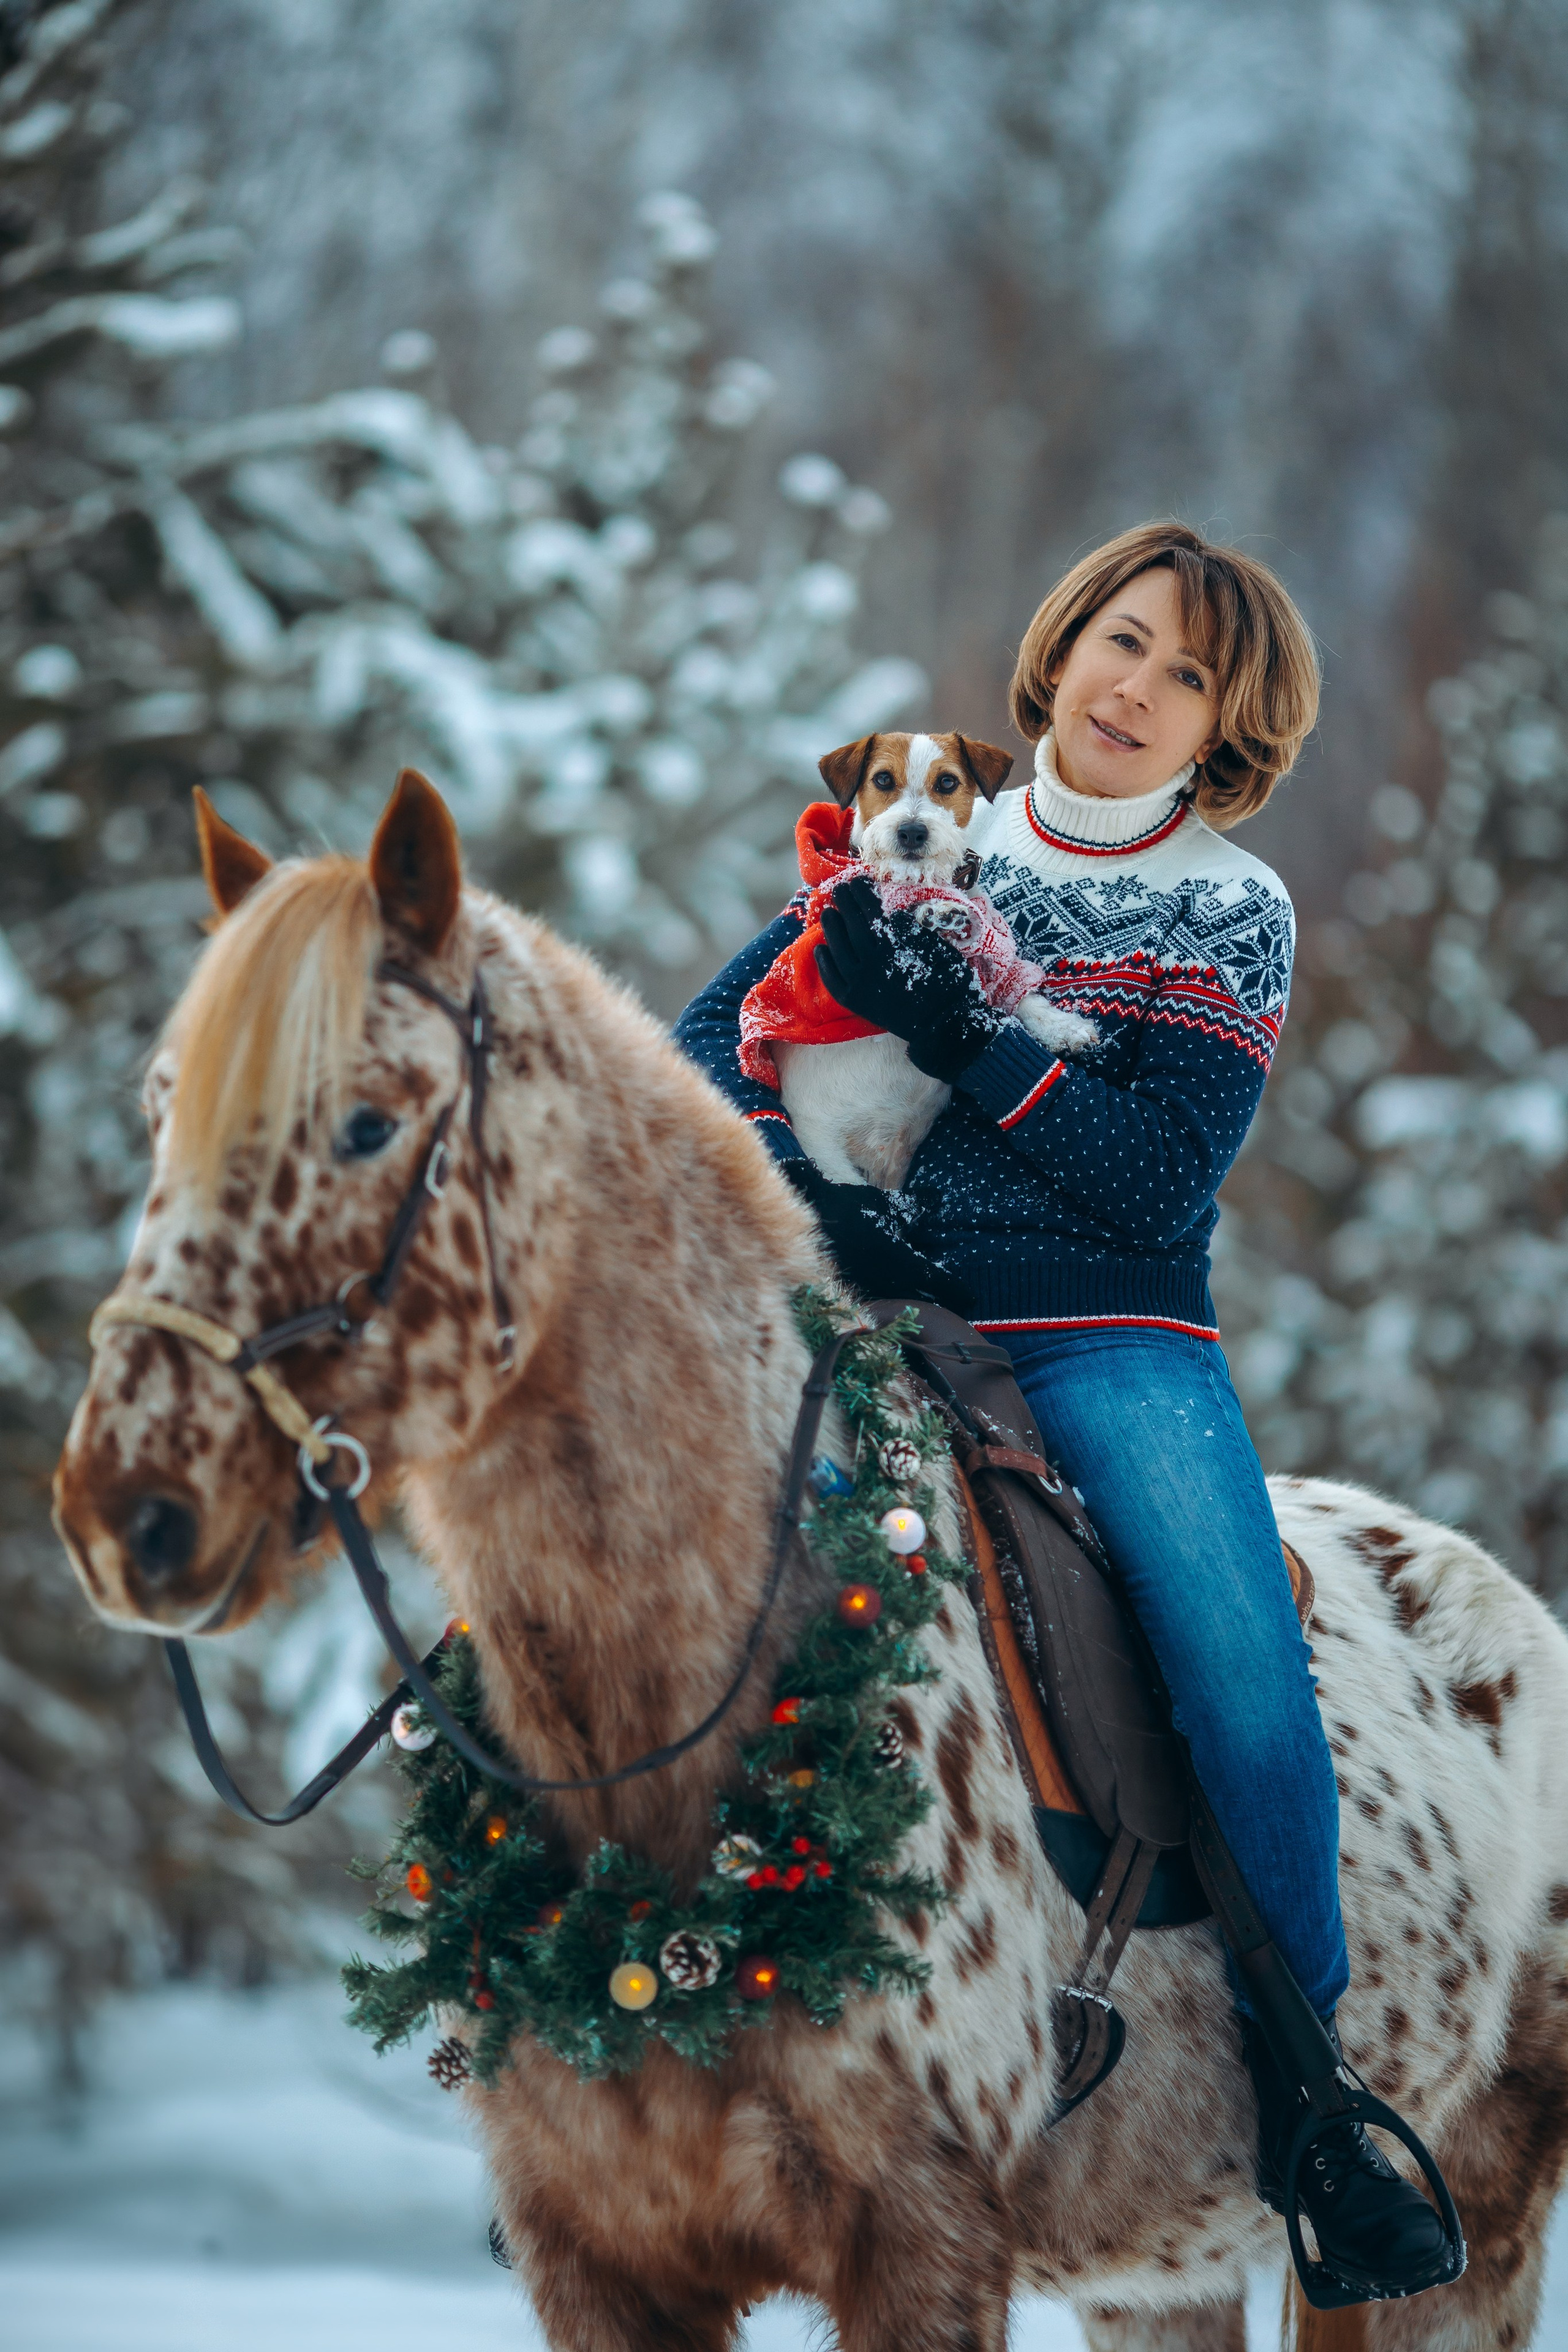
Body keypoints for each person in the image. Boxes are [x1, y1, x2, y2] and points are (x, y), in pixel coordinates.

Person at [674, 519, 1450, 2293]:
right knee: (674, 1579)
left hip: (1106, 1338)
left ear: (1224, 732)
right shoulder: (907, 839)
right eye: (1123, 639)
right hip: (878, 1321)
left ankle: (1317, 2111)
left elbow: (1156, 1180)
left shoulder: (1227, 909)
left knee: (1243, 1676)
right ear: (1061, 645)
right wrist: (832, 1198)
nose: (1139, 687)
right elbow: (706, 1052)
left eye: (1192, 677)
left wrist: (975, 1038)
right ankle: (637, 2072)